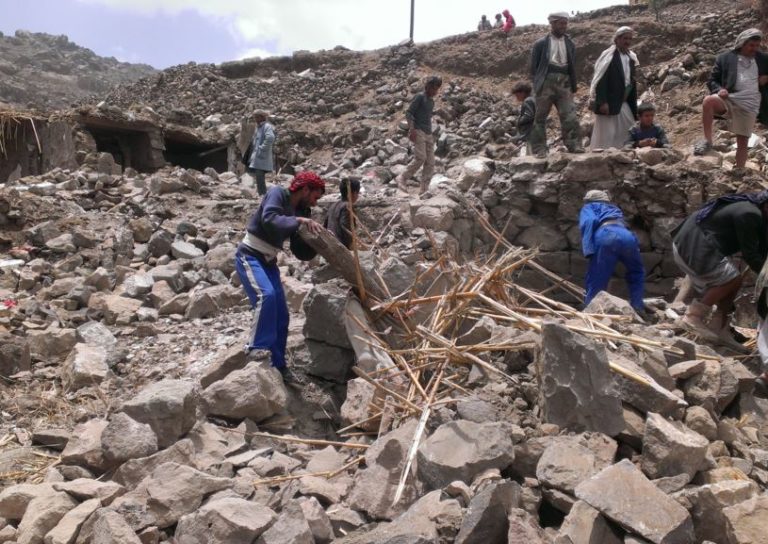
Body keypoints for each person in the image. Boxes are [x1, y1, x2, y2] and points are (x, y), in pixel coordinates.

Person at [234, 171, 326, 380]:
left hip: (269, 261)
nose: (315, 201)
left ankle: (279, 364)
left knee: (281, 314)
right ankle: (256, 348)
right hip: (250, 256)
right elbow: (270, 219)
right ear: (305, 189)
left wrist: (317, 241)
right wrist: (299, 220)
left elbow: (299, 249)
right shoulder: (277, 194)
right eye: (315, 196)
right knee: (266, 297)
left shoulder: (302, 210)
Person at [671, 190, 768, 347]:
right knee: (732, 279)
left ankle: (719, 326)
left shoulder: (757, 213)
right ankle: (693, 316)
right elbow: (751, 254)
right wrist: (765, 278)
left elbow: (763, 249)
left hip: (692, 244)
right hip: (692, 245)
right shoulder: (749, 213)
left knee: (734, 282)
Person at [694, 28, 768, 170]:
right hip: (730, 98)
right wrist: (719, 89)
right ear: (742, 43)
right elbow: (712, 80)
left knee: (742, 141)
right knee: (708, 101)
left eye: (757, 46)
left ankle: (739, 171)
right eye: (751, 45)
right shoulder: (725, 58)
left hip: (750, 104)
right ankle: (708, 141)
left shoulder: (763, 58)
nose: (754, 49)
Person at [579, 190, 645, 314]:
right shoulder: (613, 209)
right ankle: (637, 305)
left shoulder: (589, 206)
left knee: (597, 275)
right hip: (627, 235)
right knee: (637, 272)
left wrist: (588, 248)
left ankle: (591, 310)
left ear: (588, 200)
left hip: (607, 235)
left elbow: (589, 221)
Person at [529, 12, 584, 156]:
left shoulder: (570, 43)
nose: (564, 26)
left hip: (564, 82)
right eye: (561, 23)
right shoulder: (540, 43)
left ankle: (574, 145)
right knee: (539, 117)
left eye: (565, 23)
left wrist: (572, 84)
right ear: (552, 24)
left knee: (569, 115)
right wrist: (538, 83)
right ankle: (539, 149)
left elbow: (572, 65)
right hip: (545, 82)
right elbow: (534, 67)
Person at [589, 27, 639, 150]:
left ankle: (623, 155)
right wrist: (602, 102)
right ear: (617, 39)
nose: (627, 41)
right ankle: (602, 158)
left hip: (623, 101)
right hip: (609, 102)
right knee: (607, 134)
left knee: (629, 127)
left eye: (630, 39)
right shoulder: (608, 56)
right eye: (624, 38)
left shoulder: (631, 57)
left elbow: (630, 80)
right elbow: (601, 80)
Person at [396, 76, 443, 194]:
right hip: (418, 131)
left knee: (431, 162)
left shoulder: (431, 102)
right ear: (428, 87)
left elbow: (426, 116)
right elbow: (409, 113)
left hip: (428, 133)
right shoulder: (420, 97)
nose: (436, 92)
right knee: (421, 158)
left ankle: (424, 189)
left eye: (437, 89)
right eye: (434, 88)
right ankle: (402, 177)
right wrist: (412, 129)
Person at [246, 111, 276, 196]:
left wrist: (262, 148)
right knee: (259, 176)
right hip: (258, 156)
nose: (255, 119)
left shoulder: (266, 126)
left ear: (262, 117)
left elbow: (270, 137)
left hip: (261, 156)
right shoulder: (259, 127)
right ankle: (261, 193)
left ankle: (262, 194)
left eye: (257, 117)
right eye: (255, 117)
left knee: (260, 176)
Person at [325, 179, 361, 249]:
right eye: (357, 193)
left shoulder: (333, 206)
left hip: (330, 244)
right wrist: (351, 246)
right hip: (341, 247)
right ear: (353, 193)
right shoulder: (347, 206)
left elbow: (325, 227)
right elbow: (346, 228)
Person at [512, 81, 537, 154]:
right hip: (536, 132)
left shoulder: (528, 101)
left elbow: (529, 115)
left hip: (531, 133)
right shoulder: (533, 99)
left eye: (517, 95)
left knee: (531, 155)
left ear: (522, 93)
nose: (516, 98)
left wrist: (519, 121)